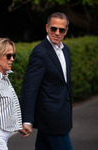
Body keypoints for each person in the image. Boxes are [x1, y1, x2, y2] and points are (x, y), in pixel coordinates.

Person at [20, 12, 74, 150]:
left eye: (61, 30)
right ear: (46, 28)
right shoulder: (40, 52)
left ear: (66, 31)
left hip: (61, 116)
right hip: (52, 121)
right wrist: (26, 120)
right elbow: (29, 88)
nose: (57, 33)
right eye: (53, 28)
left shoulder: (66, 50)